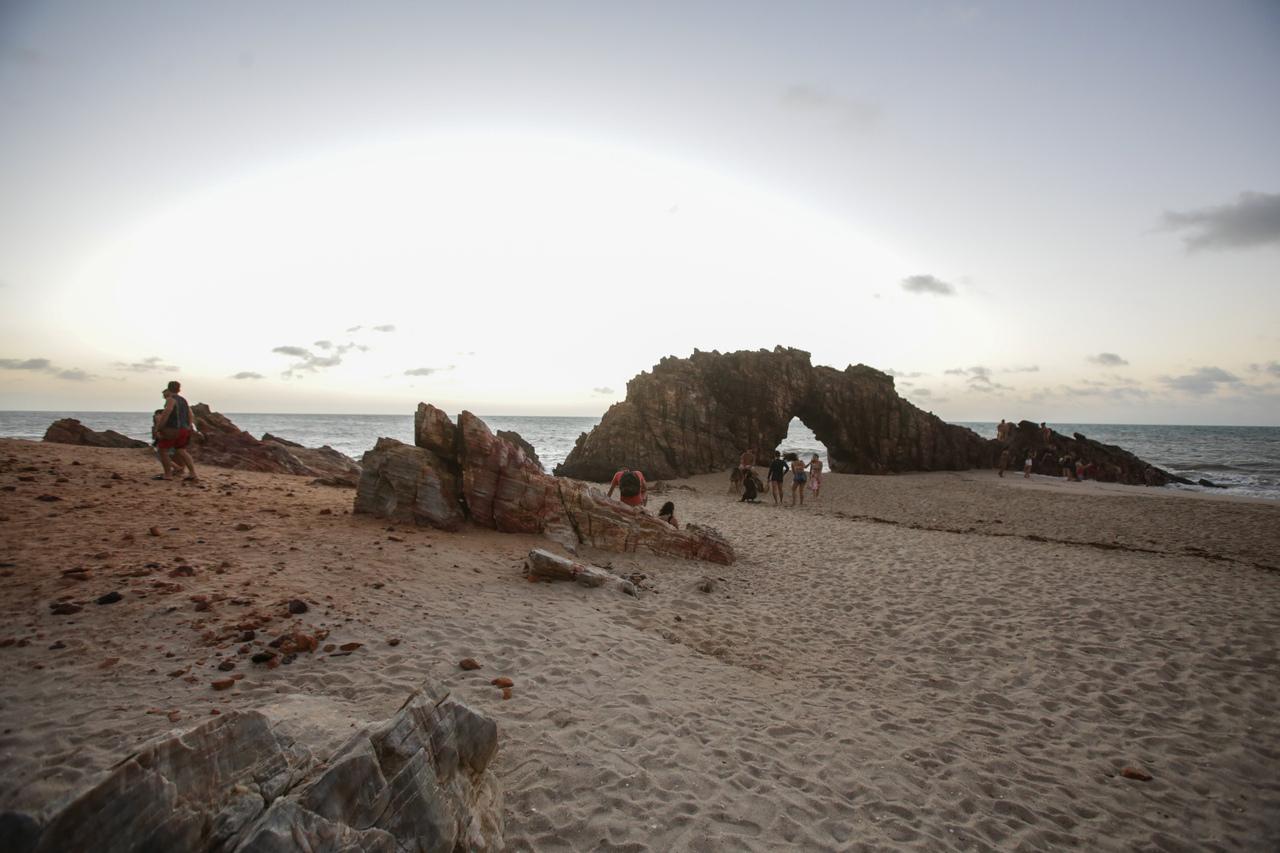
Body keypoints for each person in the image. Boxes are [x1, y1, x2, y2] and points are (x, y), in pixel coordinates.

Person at [155, 380, 198, 481]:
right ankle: (193, 473)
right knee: (182, 450)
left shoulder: (171, 399)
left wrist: (159, 427)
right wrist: (189, 426)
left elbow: (167, 413)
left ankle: (168, 474)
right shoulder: (183, 400)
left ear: (169, 388)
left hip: (173, 429)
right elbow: (190, 414)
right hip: (184, 429)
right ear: (179, 389)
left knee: (162, 450)